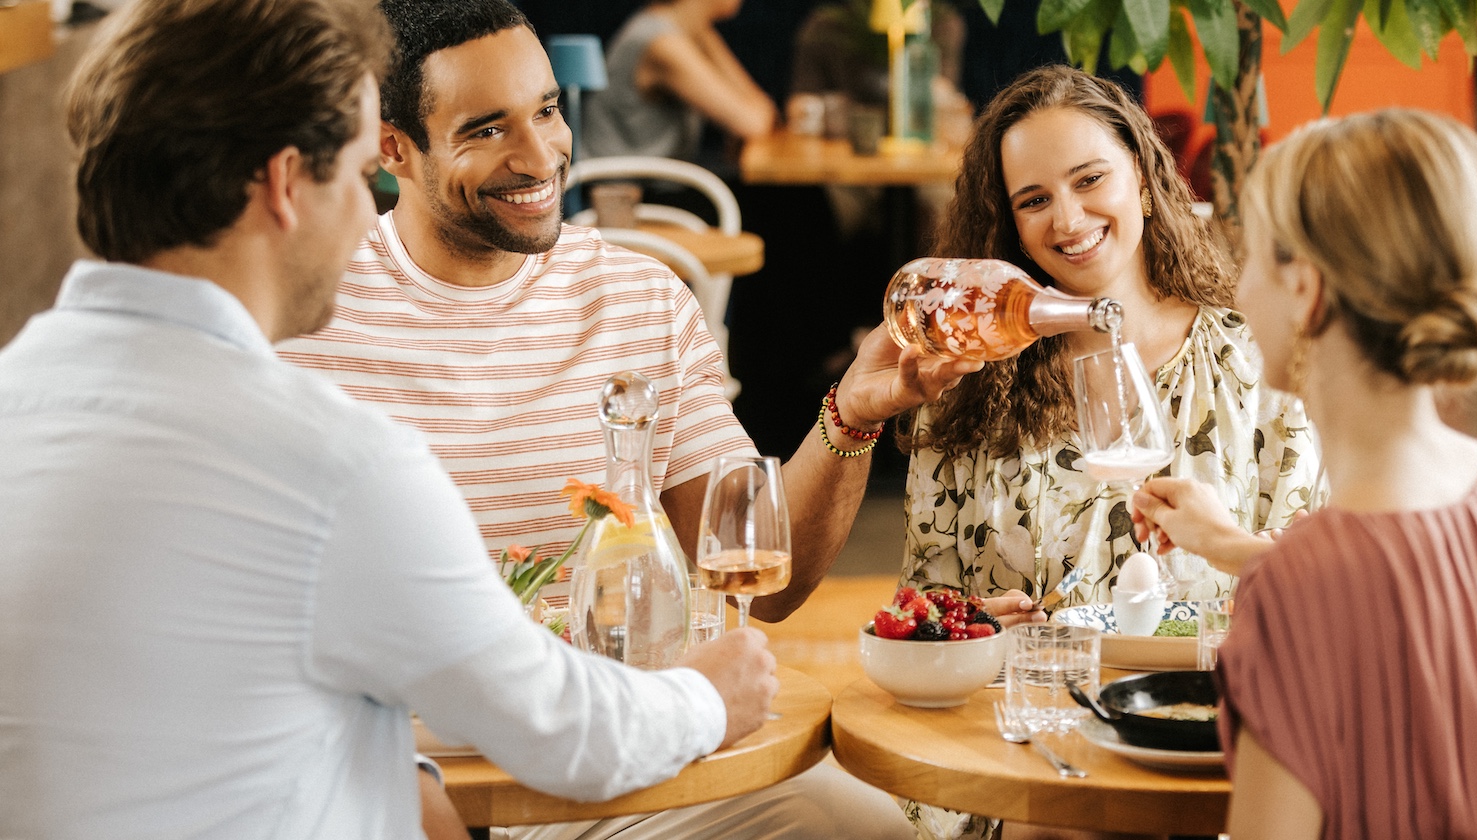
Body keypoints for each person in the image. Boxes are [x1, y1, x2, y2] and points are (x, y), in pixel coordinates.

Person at [0, 0, 781, 837]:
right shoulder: (331, 463)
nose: (362, 223)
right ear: (286, 185)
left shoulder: (19, 394)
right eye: (357, 175)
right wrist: (709, 696)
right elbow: (560, 729)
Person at [279, 1, 969, 837]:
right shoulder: (304, 313)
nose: (540, 155)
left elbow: (768, 583)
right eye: (487, 130)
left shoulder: (639, 298)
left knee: (862, 830)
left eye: (546, 110)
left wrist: (850, 420)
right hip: (377, 774)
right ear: (393, 148)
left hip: (613, 756)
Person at [1132, 109, 1477, 839]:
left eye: (1251, 257)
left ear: (1305, 291)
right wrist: (1231, 546)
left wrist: (1274, 574)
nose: (1238, 291)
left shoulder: (1300, 589)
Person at [899, 65, 1321, 612]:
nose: (1068, 220)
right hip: (1027, 672)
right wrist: (974, 626)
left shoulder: (1257, 362)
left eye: (1089, 180)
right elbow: (922, 607)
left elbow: (1312, 596)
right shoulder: (968, 376)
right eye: (1034, 201)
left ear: (1141, 174)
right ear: (1012, 226)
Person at [581, 0, 777, 161]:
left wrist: (704, 33)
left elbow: (761, 109)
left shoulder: (683, 28)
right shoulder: (661, 42)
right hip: (615, 189)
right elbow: (753, 123)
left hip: (647, 184)